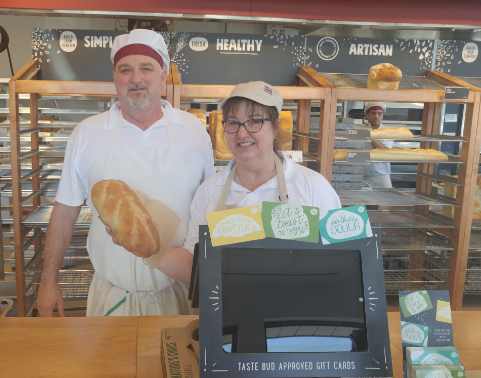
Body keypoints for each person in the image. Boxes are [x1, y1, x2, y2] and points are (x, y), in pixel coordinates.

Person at [37, 29, 214, 317]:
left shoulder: (193, 131)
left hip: (179, 296)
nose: (136, 78)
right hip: (112, 299)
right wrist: (48, 281)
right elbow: (65, 211)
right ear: (114, 77)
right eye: (125, 70)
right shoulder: (87, 133)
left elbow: (210, 210)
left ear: (163, 75)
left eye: (146, 68)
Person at [159, 81, 342, 278]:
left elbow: (341, 259)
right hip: (227, 307)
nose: (242, 133)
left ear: (275, 128)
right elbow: (194, 266)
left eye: (255, 121)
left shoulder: (314, 187)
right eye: (233, 122)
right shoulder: (209, 191)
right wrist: (147, 250)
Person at [362, 102, 394, 189]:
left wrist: (369, 133)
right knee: (361, 202)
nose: (376, 116)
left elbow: (384, 152)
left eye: (379, 114)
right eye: (373, 113)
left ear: (382, 116)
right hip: (361, 177)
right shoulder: (359, 130)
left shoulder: (388, 132)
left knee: (385, 202)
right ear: (367, 115)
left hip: (381, 177)